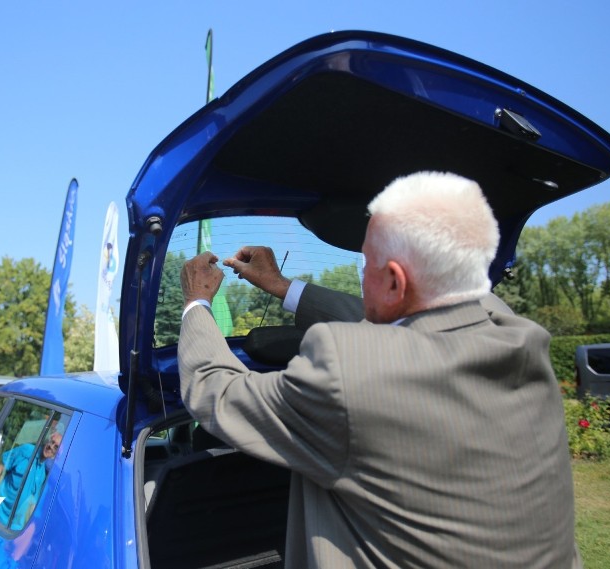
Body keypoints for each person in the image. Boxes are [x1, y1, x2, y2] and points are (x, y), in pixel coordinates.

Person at [178, 171, 579, 568]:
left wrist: (196, 302)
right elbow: (401, 315)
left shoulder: (349, 373)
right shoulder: (519, 336)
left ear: (394, 283)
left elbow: (215, 390)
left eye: (366, 264)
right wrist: (283, 287)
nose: (361, 277)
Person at [0, 431, 62, 530]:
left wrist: (30, 529)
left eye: (56, 447)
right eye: (52, 442)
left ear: (55, 455)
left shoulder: (42, 474)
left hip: (12, 528)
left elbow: (32, 504)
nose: (51, 446)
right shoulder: (27, 450)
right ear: (47, 440)